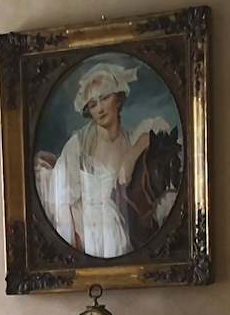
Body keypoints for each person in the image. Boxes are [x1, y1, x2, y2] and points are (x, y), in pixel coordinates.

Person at [37, 54, 177, 257]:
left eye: (104, 98)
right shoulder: (79, 144)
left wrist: (130, 156)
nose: (100, 109)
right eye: (93, 104)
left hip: (123, 227)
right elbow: (62, 201)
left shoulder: (131, 139)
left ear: (118, 99)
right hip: (89, 231)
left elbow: (158, 132)